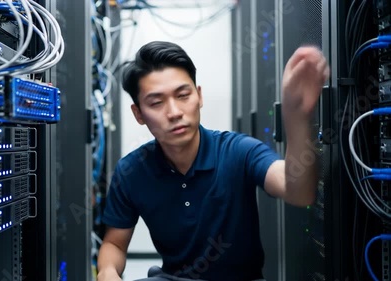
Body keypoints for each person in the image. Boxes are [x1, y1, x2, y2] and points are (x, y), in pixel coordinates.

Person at [97, 41, 330, 281]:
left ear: (199, 96)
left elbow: (298, 191)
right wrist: (108, 272)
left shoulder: (237, 151)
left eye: (183, 95)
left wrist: (296, 116)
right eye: (157, 102)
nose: (175, 112)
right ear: (139, 114)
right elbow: (114, 243)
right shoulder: (131, 171)